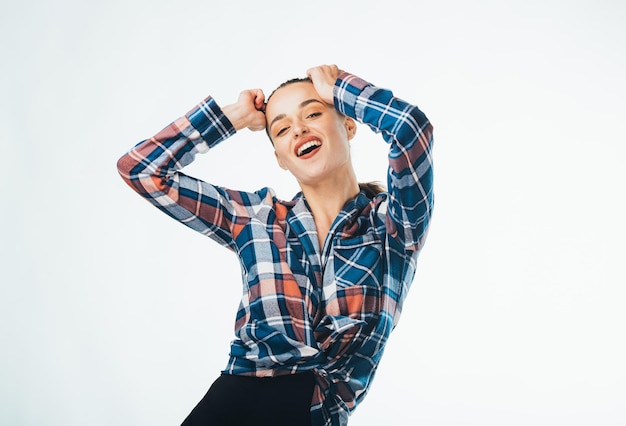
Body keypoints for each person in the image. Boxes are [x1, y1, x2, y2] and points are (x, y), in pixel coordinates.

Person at [117, 64, 434, 426]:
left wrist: (343, 90)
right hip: (230, 402)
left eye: (313, 113)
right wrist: (233, 118)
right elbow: (141, 170)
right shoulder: (256, 218)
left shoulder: (394, 228)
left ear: (349, 126)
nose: (299, 129)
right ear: (280, 159)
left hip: (314, 413)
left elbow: (412, 130)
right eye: (282, 128)